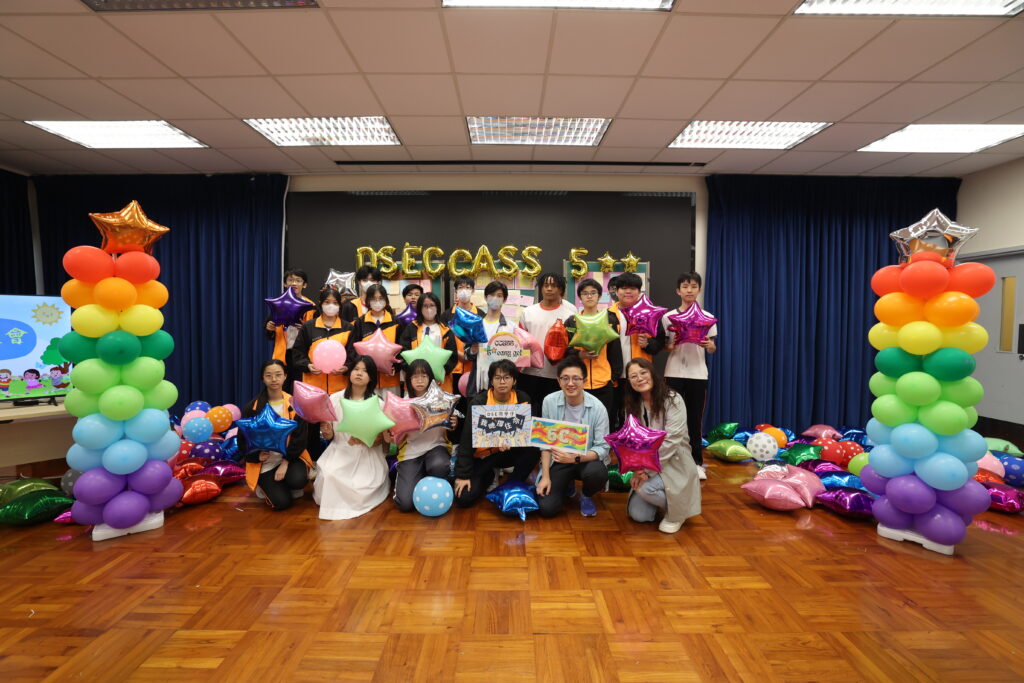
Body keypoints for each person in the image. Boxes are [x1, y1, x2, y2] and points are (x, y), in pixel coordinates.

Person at [621, 358, 701, 534]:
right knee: (638, 515)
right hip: (647, 463)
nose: (639, 378)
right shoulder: (633, 405)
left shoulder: (673, 399)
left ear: (652, 374)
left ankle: (678, 513)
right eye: (633, 376)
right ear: (629, 382)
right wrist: (637, 469)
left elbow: (671, 441)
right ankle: (670, 501)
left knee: (644, 487)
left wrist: (646, 470)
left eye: (643, 373)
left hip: (674, 459)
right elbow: (632, 442)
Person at [314, 354, 390, 520]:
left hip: (366, 454)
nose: (359, 373)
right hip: (339, 451)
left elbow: (382, 442)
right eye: (356, 369)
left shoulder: (378, 403)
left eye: (365, 371)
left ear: (371, 377)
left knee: (359, 486)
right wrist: (327, 432)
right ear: (349, 373)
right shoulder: (334, 398)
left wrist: (365, 439)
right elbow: (329, 434)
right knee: (330, 475)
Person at [454, 359, 538, 508]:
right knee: (464, 498)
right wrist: (463, 475)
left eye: (507, 377)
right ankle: (490, 475)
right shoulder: (479, 402)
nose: (502, 382)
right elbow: (466, 439)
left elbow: (527, 433)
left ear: (514, 380)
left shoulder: (523, 399)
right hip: (483, 456)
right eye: (498, 378)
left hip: (508, 452)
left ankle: (510, 485)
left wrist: (511, 441)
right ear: (491, 381)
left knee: (533, 450)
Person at [535, 357, 610, 518]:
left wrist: (574, 458)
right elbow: (545, 444)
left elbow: (603, 448)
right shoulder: (549, 401)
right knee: (547, 508)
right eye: (565, 378)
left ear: (584, 381)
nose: (570, 383)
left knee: (598, 473)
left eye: (576, 378)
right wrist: (545, 477)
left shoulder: (598, 408)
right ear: (558, 381)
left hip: (586, 460)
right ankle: (566, 483)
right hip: (559, 461)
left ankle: (586, 495)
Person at [237, 359, 313, 510]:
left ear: (285, 376)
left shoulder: (295, 404)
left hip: (290, 458)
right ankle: (267, 486)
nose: (274, 379)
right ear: (262, 378)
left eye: (278, 375)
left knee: (298, 480)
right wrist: (256, 455)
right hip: (266, 463)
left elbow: (300, 439)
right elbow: (242, 440)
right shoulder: (252, 408)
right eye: (269, 375)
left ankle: (287, 483)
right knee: (282, 503)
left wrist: (285, 462)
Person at [662, 272, 717, 480]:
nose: (689, 290)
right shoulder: (668, 317)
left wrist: (709, 345)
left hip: (698, 374)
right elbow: (664, 347)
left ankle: (696, 463)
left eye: (693, 286)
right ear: (678, 291)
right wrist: (672, 345)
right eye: (685, 286)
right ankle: (671, 461)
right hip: (673, 372)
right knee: (672, 418)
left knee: (694, 419)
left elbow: (712, 348)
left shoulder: (708, 317)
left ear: (699, 290)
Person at [291, 287, 353, 459]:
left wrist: (346, 367)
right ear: (320, 304)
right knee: (310, 429)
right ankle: (311, 462)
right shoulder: (308, 327)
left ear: (340, 305)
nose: (331, 306)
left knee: (337, 428)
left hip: (339, 389)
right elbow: (297, 354)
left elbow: (353, 356)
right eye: (327, 302)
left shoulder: (348, 327)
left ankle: (338, 462)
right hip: (312, 389)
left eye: (335, 303)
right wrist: (308, 365)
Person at [393, 359, 457, 512]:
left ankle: (435, 481)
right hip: (411, 452)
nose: (420, 380)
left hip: (436, 447)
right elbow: (394, 435)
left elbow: (451, 427)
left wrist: (453, 424)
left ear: (430, 378)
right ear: (409, 380)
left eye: (423, 376)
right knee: (405, 504)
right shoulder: (402, 403)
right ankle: (413, 477)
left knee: (439, 466)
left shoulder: (441, 399)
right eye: (415, 377)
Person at [609, 272, 665, 429]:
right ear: (616, 291)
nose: (628, 292)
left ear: (639, 291)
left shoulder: (649, 314)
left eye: (633, 288)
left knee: (640, 416)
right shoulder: (607, 315)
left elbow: (660, 343)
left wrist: (648, 343)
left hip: (640, 376)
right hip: (614, 376)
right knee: (614, 416)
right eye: (623, 288)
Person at [518, 271, 577, 416]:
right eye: (545, 285)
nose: (549, 289)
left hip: (557, 374)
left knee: (554, 414)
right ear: (541, 288)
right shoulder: (528, 312)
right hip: (530, 373)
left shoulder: (570, 313)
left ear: (561, 289)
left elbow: (574, 342)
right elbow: (520, 342)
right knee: (530, 413)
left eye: (554, 285)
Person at [564, 278, 621, 418]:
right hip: (577, 383)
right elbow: (565, 350)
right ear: (580, 297)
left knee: (604, 420)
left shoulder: (610, 319)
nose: (589, 296)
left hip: (604, 382)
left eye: (593, 293)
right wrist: (580, 354)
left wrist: (613, 378)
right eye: (585, 293)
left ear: (599, 296)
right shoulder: (571, 322)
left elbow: (615, 351)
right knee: (578, 421)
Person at [439, 274, 479, 442]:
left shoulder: (481, 315)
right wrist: (458, 356)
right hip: (452, 372)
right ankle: (454, 444)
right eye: (461, 287)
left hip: (474, 372)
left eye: (468, 287)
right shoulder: (446, 316)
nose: (464, 291)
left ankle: (471, 446)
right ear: (455, 291)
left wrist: (470, 355)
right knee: (454, 410)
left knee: (471, 410)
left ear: (473, 291)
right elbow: (441, 341)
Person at [463, 280, 517, 396]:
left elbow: (517, 356)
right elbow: (467, 354)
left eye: (499, 296)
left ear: (504, 299)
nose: (495, 298)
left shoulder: (511, 327)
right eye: (492, 295)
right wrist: (473, 350)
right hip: (478, 381)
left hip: (502, 382)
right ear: (485, 297)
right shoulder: (475, 325)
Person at [265, 268, 314, 392]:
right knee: (283, 390)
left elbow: (316, 333)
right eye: (290, 280)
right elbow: (269, 331)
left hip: (302, 355)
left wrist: (305, 329)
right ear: (285, 284)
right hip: (283, 353)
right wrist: (269, 328)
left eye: (298, 280)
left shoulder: (311, 307)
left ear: (305, 285)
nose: (294, 283)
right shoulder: (278, 304)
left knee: (300, 390)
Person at [398, 292, 458, 392]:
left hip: (440, 383)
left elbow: (452, 356)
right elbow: (403, 353)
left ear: (437, 307)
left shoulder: (446, 330)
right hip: (415, 382)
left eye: (431, 305)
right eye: (425, 306)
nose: (428, 309)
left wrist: (443, 372)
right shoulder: (411, 328)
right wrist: (414, 372)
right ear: (420, 308)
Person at [351, 283, 404, 395]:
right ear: (368, 301)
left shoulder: (395, 321)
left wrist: (395, 368)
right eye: (373, 299)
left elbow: (402, 348)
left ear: (386, 300)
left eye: (380, 298)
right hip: (367, 381)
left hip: (390, 380)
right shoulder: (360, 322)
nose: (377, 302)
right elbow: (354, 349)